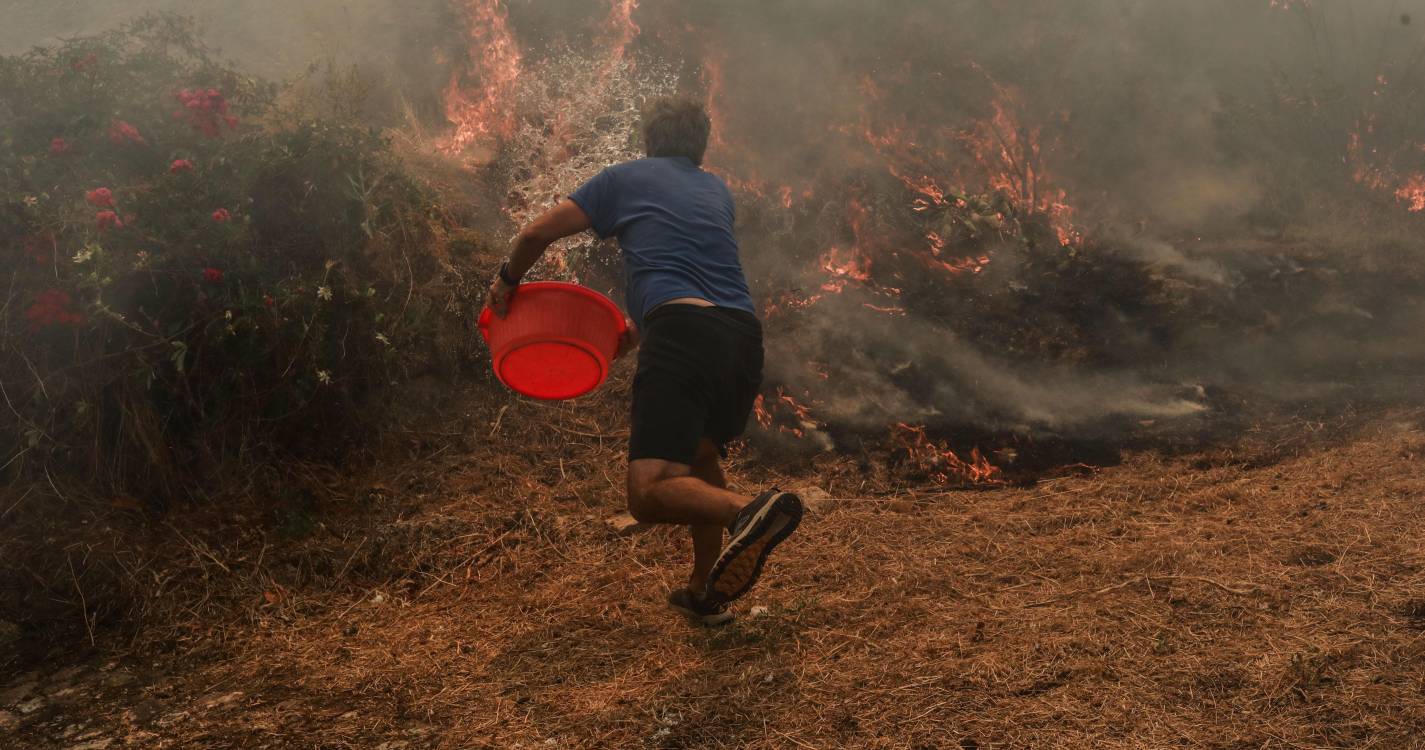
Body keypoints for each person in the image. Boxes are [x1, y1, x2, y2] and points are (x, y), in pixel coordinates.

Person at [484, 96, 803, 626]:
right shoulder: (715, 190)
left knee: (648, 494)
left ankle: (749, 511)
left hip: (684, 334)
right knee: (699, 457)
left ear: (648, 139)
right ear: (699, 146)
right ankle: (704, 591)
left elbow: (536, 233)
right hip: (741, 336)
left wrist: (506, 280)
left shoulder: (623, 177)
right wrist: (638, 324)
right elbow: (682, 259)